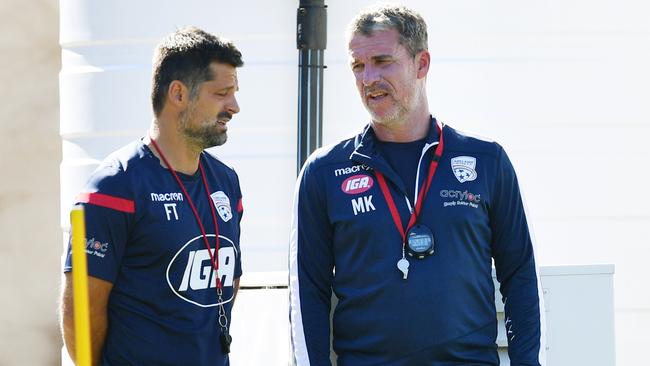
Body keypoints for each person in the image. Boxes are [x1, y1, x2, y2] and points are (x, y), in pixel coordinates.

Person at [289, 4, 546, 365]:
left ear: (421, 63)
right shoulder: (323, 171)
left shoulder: (487, 162)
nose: (368, 79)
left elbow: (521, 278)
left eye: (382, 61)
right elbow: (306, 296)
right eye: (357, 66)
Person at [60, 27, 244, 365]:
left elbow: (224, 288)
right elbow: (80, 316)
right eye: (222, 93)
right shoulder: (114, 187)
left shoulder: (226, 182)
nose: (234, 106)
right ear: (178, 94)